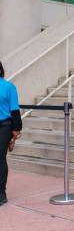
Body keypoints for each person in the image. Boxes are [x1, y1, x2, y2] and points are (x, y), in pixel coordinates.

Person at [0, 62, 22, 206]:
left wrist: (16, 129)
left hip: (4, 126)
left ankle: (1, 192)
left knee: (0, 158)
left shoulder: (9, 87)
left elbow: (14, 110)